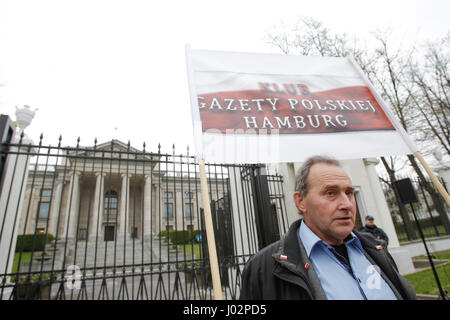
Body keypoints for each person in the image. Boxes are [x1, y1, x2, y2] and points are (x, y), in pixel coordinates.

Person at [239, 155, 416, 300]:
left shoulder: (376, 249)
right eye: (330, 193)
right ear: (300, 201)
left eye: (349, 193)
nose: (346, 204)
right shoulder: (262, 269)